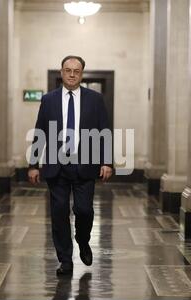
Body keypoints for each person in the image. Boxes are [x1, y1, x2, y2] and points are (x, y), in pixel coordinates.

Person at [28, 56, 113, 275]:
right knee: (59, 214)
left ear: (82, 73)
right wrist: (33, 164)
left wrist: (106, 161)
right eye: (68, 70)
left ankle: (83, 241)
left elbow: (105, 131)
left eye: (76, 71)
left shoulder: (95, 99)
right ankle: (65, 260)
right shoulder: (49, 100)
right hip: (57, 167)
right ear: (61, 72)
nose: (72, 74)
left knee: (84, 210)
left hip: (85, 165)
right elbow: (40, 132)